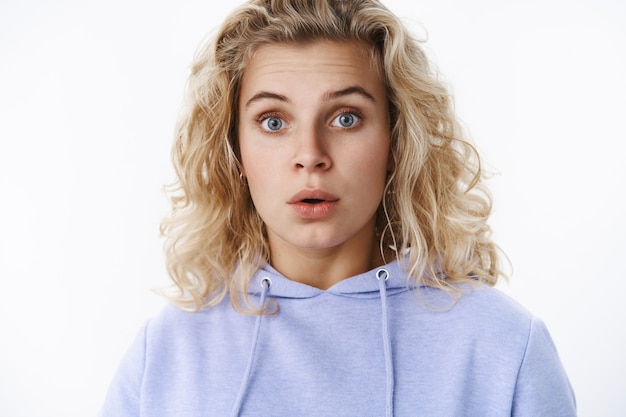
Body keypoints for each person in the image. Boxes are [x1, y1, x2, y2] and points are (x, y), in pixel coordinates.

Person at [100, 0, 576, 416]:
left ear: (397, 141)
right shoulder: (163, 356)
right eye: (273, 121)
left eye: (346, 118)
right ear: (234, 149)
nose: (310, 154)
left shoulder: (505, 347)